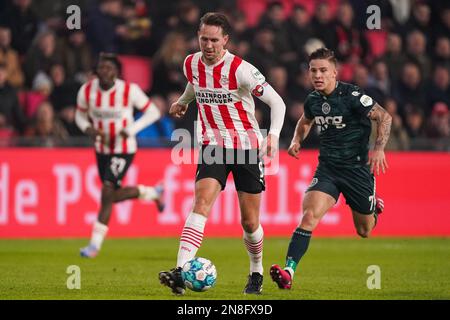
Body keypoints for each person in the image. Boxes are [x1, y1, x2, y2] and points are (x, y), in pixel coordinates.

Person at [158, 12, 286, 295]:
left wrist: (274, 137)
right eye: (204, 38)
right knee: (201, 203)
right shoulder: (190, 63)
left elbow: (277, 102)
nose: (208, 45)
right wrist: (183, 100)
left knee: (250, 222)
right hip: (212, 145)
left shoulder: (241, 70)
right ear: (198, 37)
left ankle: (256, 272)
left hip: (246, 149)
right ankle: (180, 272)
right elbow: (196, 84)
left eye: (214, 40)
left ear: (225, 40)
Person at [270, 48, 391, 290]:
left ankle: (374, 206)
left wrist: (378, 148)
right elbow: (305, 121)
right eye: (313, 70)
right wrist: (296, 140)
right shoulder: (313, 99)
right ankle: (289, 272)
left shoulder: (353, 95)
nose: (317, 75)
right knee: (309, 216)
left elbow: (384, 117)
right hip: (328, 170)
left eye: (323, 70)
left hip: (356, 170)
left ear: (335, 73)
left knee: (364, 230)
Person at [75, 53, 165, 258]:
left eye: (109, 68)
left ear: (116, 72)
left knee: (107, 191)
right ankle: (153, 193)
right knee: (112, 195)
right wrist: (89, 129)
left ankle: (94, 245)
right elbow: (79, 116)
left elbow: (153, 112)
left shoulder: (128, 90)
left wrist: (131, 129)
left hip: (124, 148)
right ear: (97, 71)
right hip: (102, 149)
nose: (105, 72)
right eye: (102, 68)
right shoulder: (87, 91)